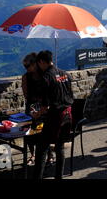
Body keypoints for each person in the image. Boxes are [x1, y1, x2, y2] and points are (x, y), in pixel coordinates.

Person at [33, 50, 74, 180]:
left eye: (38, 64)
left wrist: (36, 114)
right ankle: (58, 177)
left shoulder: (46, 78)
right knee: (60, 147)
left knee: (41, 149)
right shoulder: (65, 74)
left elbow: (45, 106)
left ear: (41, 62)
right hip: (68, 114)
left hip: (55, 116)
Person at [21, 52, 51, 166]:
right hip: (32, 107)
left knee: (44, 132)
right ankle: (33, 155)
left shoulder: (45, 75)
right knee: (29, 132)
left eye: (28, 66)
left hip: (43, 108)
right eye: (25, 66)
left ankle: (49, 155)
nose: (26, 69)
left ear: (35, 64)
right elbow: (26, 95)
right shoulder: (26, 77)